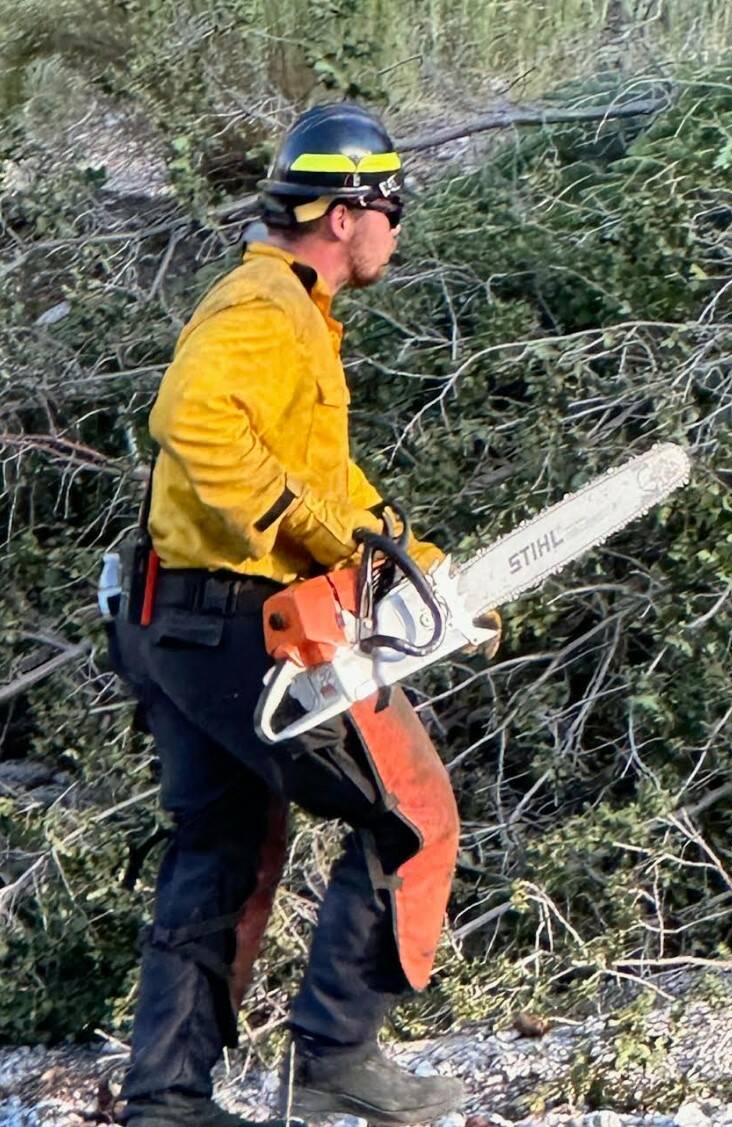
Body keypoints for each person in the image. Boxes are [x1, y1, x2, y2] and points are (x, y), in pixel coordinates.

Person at [110, 103, 493, 1127]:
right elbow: (191, 417)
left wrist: (416, 569)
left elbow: (325, 481)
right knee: (410, 810)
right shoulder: (263, 307)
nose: (397, 230)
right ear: (343, 213)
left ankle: (166, 1096)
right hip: (240, 621)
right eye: (392, 207)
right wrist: (297, 526)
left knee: (220, 844)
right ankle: (333, 1053)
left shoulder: (291, 309)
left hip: (178, 621)